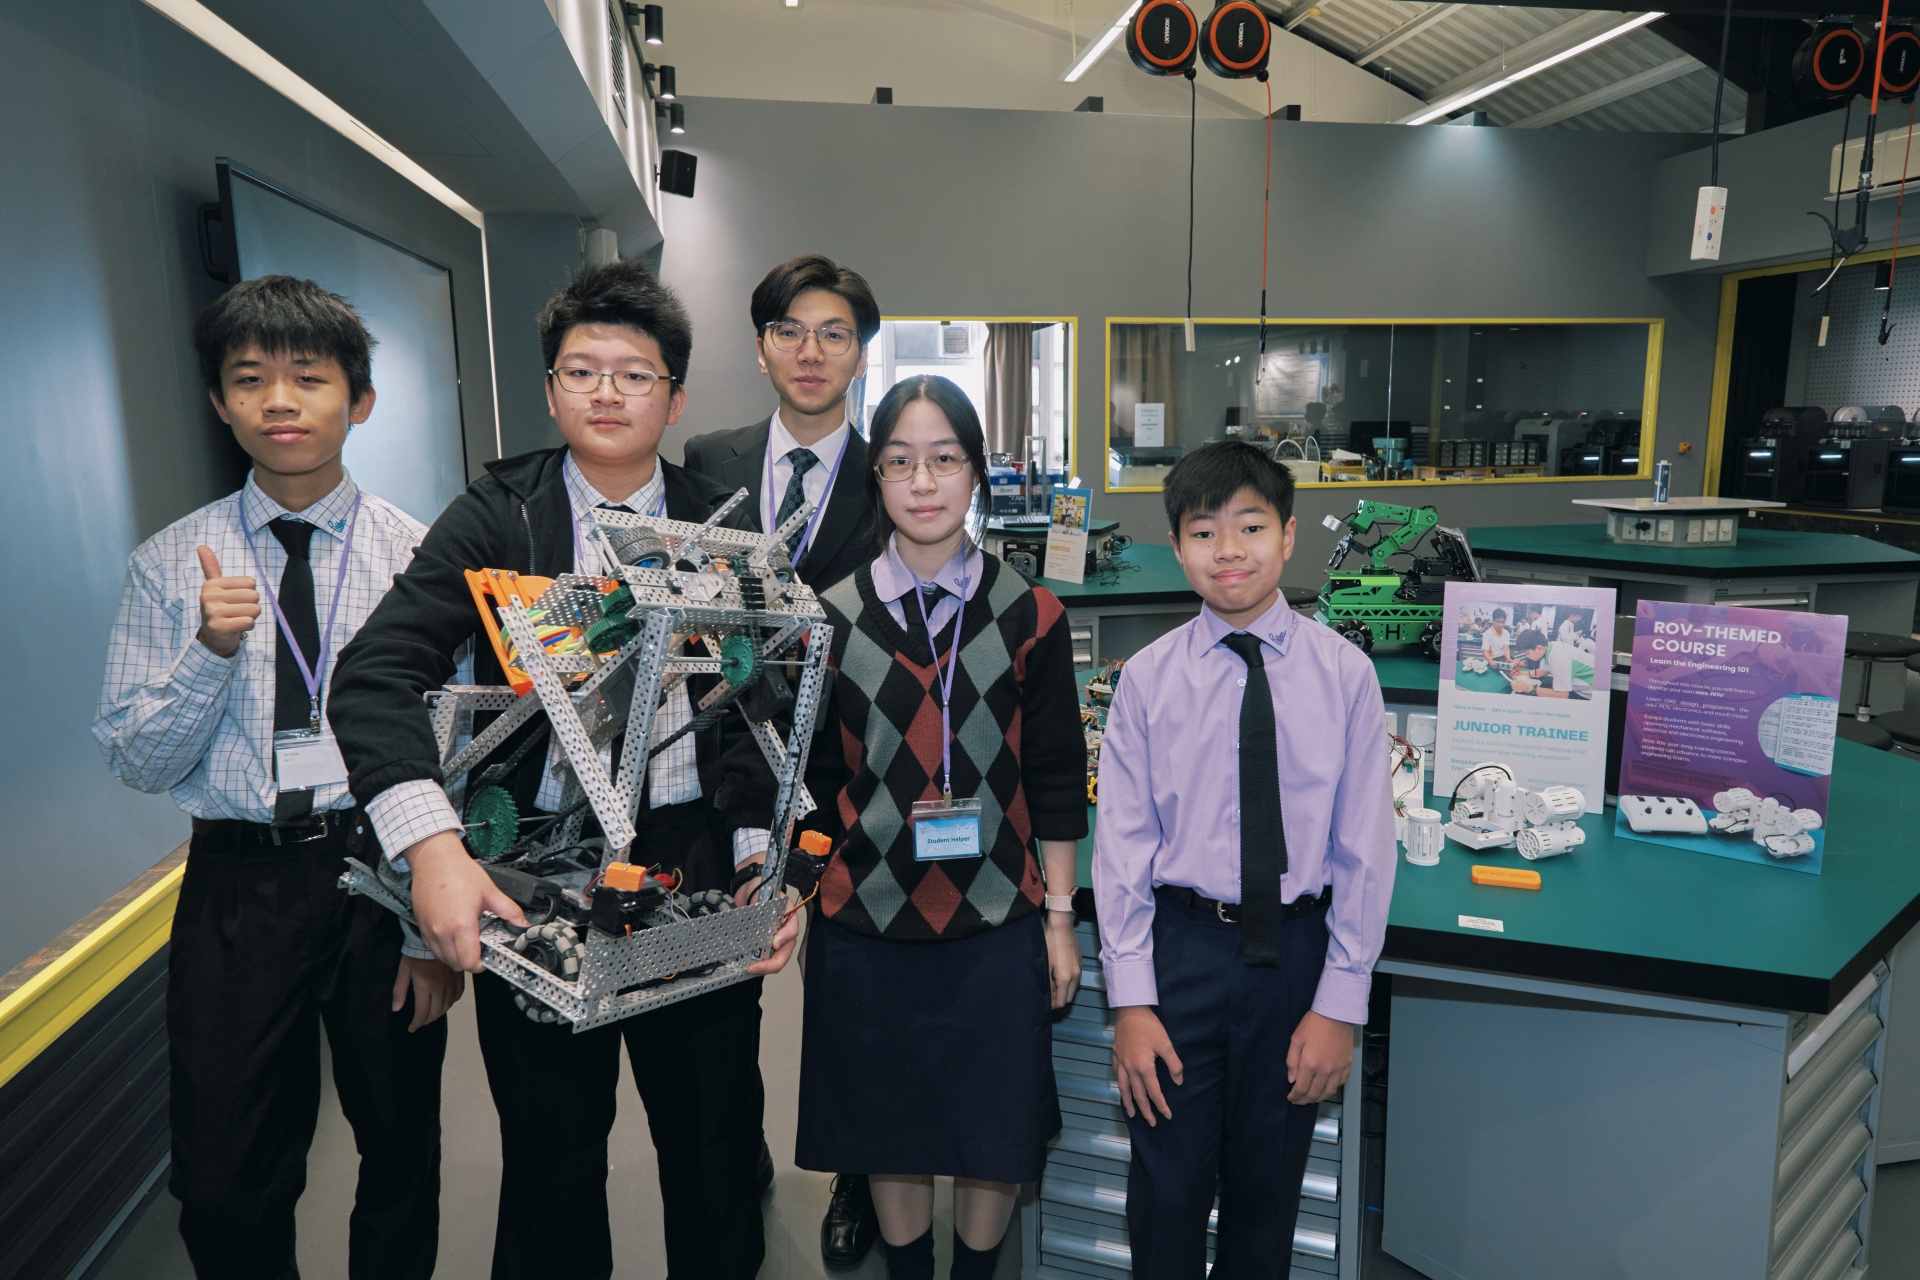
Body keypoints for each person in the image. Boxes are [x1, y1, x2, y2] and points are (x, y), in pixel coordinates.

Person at [326, 258, 797, 1280]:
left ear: (675, 397)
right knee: (550, 1160)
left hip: (689, 856)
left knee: (714, 1148)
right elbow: (373, 674)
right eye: (582, 371)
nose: (607, 392)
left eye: (635, 374)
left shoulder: (723, 523)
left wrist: (764, 860)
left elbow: (758, 706)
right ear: (550, 390)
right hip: (539, 866)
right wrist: (433, 847)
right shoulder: (501, 512)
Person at [93, 275, 460, 1280]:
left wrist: (430, 931)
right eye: (250, 378)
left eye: (308, 376)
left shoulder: (419, 557)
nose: (280, 401)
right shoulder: (170, 563)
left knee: (401, 1150)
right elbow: (137, 760)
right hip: (238, 884)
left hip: (382, 873)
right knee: (222, 1177)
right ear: (220, 402)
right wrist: (209, 651)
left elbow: (459, 750)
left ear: (360, 399)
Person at [736, 374, 1087, 1280]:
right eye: (899, 462)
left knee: (990, 1128)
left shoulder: (1033, 613)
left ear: (976, 473)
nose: (923, 482)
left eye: (944, 459)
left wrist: (1059, 920)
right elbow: (815, 783)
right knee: (888, 1125)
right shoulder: (830, 618)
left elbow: (1056, 780)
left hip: (999, 920)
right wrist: (798, 898)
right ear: (876, 479)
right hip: (867, 921)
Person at [1093, 440, 1396, 1279]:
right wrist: (1131, 1002)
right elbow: (1121, 849)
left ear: (1289, 535)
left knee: (1267, 1202)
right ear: (1177, 546)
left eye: (1251, 527)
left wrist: (1341, 1005)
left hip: (1295, 963)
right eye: (1203, 532)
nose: (1228, 550)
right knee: (1166, 1195)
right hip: (1182, 956)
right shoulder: (1146, 681)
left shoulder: (1346, 677)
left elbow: (1365, 851)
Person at [681, 254, 885, 1265]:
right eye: (791, 330)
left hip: (849, 764)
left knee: (852, 989)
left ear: (860, 352)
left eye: (834, 332)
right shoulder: (706, 460)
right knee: (727, 987)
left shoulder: (891, 468)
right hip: (726, 759)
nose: (812, 351)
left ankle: (856, 1172)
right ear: (761, 347)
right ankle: (740, 1153)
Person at [1512, 628, 1594, 699]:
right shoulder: (1548, 648)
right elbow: (1542, 672)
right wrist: (1521, 674)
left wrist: (1528, 688)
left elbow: (1562, 695)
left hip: (1588, 691)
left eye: (1527, 653)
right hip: (1578, 687)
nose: (1527, 656)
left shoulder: (1558, 657)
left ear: (1539, 648)